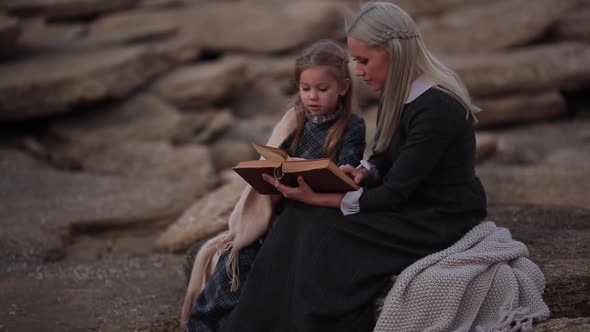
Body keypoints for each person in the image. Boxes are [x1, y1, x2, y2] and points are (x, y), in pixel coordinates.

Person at [218, 2, 490, 331]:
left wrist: (323, 199)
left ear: (395, 52)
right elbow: (386, 157)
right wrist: (364, 171)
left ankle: (311, 321)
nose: (357, 71)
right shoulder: (396, 92)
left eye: (363, 60)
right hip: (410, 203)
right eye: (354, 60)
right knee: (299, 216)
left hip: (439, 217)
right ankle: (254, 323)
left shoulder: (436, 108)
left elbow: (394, 194)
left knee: (324, 228)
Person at [180, 39, 366, 332]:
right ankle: (203, 324)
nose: (312, 97)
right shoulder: (297, 121)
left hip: (321, 211)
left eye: (322, 89)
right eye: (305, 89)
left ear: (343, 87)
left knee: (276, 259)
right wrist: (274, 173)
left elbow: (348, 168)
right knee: (239, 255)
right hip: (286, 204)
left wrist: (343, 171)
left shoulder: (352, 126)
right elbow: (277, 156)